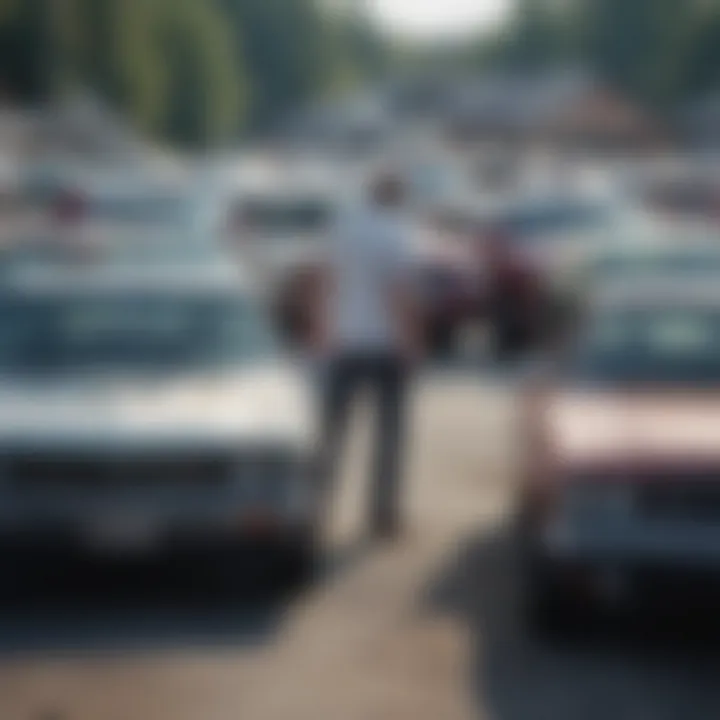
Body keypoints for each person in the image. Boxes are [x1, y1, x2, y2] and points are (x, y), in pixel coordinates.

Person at [311, 171, 421, 540]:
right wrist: (410, 343)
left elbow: (326, 280)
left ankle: (316, 509)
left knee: (332, 433)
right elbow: (399, 294)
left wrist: (321, 329)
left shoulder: (343, 228)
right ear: (397, 198)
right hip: (384, 346)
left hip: (344, 342)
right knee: (388, 436)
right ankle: (381, 516)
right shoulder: (396, 235)